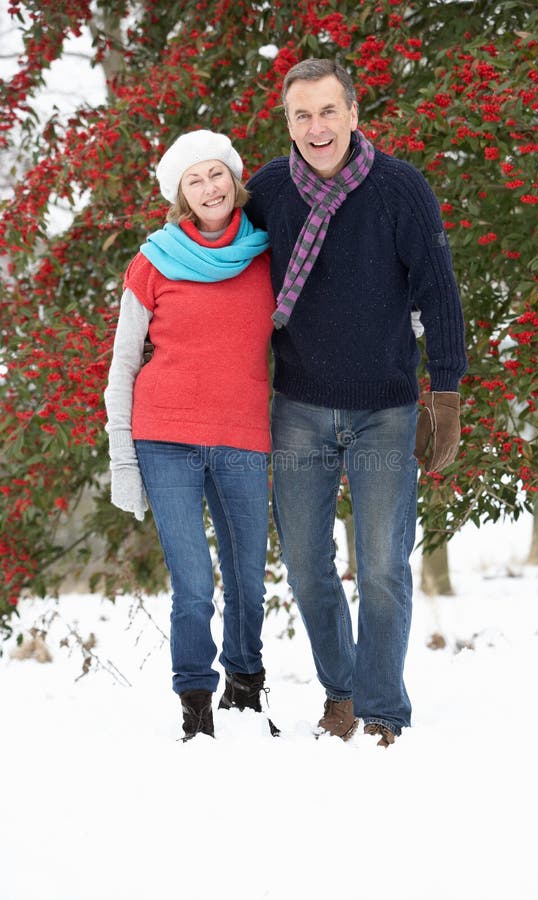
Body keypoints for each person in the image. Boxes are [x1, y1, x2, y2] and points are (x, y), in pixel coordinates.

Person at [245, 59, 468, 747]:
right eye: (301, 115)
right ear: (288, 122)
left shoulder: (400, 189)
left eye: (328, 112)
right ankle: (340, 689)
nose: (316, 128)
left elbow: (439, 290)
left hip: (385, 407)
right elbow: (225, 267)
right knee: (308, 567)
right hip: (300, 404)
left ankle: (381, 711)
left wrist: (447, 397)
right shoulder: (269, 191)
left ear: (354, 113)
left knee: (379, 566)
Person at [104, 130, 278, 741]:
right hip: (165, 437)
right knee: (195, 585)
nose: (209, 188)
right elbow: (124, 364)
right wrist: (121, 458)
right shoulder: (152, 260)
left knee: (248, 577)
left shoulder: (266, 255)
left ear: (235, 180)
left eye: (217, 175)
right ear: (180, 193)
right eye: (194, 180)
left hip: (243, 436)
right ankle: (195, 704)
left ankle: (246, 684)